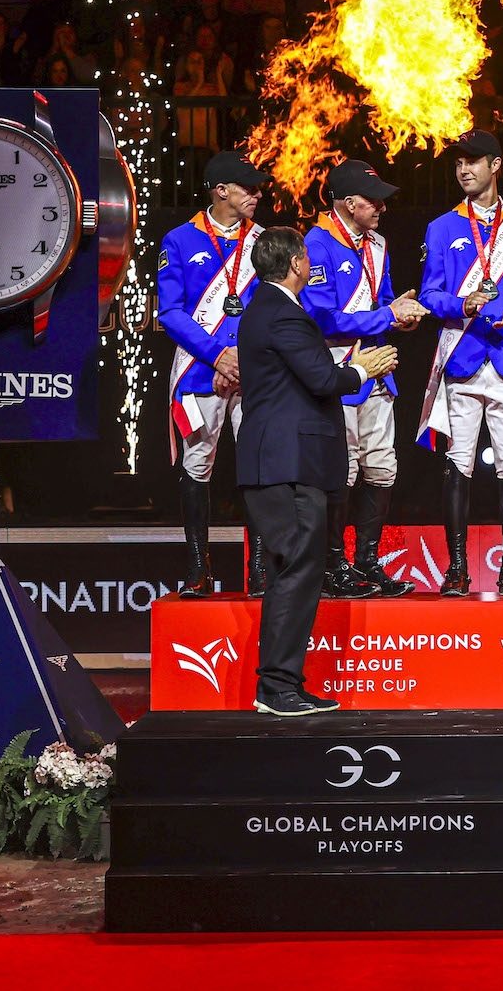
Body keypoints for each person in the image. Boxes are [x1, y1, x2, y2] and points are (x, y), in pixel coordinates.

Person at [236, 225, 398, 717]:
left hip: (279, 460)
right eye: (306, 257)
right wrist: (363, 370)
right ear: (295, 264)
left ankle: (280, 685)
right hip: (287, 463)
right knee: (298, 571)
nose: (310, 263)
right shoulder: (283, 313)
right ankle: (277, 688)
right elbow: (323, 378)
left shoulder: (266, 308)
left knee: (293, 571)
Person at [417, 130, 503, 597]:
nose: (463, 170)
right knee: (458, 464)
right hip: (463, 356)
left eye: (472, 161)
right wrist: (462, 304)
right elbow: (430, 294)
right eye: (458, 163)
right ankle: (457, 569)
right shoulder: (441, 227)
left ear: (495, 165)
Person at [302, 159, 428, 600]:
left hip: (378, 371)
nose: (382, 208)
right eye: (374, 201)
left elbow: (384, 300)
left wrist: (401, 315)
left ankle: (367, 562)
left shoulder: (378, 243)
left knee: (381, 467)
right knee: (344, 470)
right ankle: (333, 566)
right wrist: (386, 316)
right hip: (338, 370)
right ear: (349, 202)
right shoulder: (316, 244)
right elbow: (322, 318)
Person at [157, 152, 270, 598]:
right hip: (200, 369)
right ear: (221, 190)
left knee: (259, 465)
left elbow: (273, 306)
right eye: (248, 188)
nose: (257, 194)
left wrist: (241, 357)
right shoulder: (179, 240)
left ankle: (259, 571)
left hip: (252, 370)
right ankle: (198, 570)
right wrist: (218, 356)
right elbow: (171, 313)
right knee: (197, 464)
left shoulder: (263, 241)